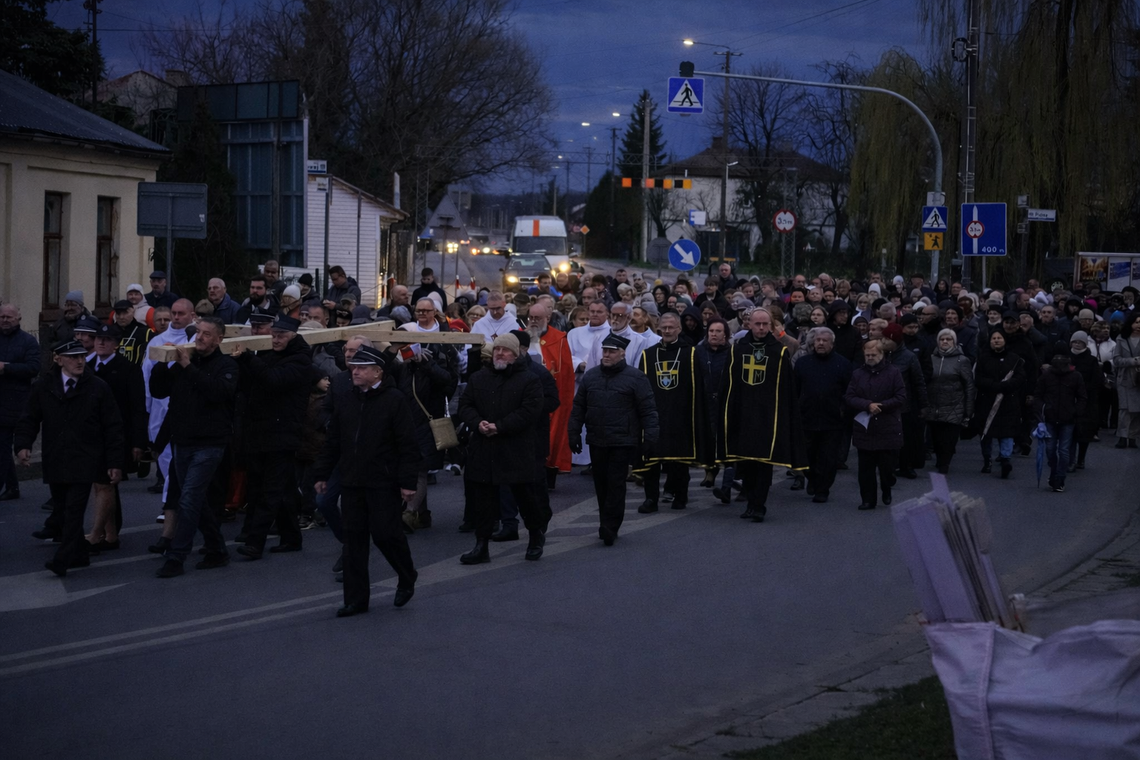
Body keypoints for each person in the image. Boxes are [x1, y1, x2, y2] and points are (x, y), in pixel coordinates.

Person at [313, 346, 421, 617]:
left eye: (362, 368)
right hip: (352, 480)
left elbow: (408, 444)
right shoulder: (346, 399)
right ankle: (356, 599)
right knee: (354, 541)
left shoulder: (394, 400)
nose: (355, 371)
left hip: (382, 480)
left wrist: (407, 482)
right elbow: (334, 440)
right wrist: (322, 473)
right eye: (353, 367)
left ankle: (406, 575)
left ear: (378, 373)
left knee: (386, 534)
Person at [17, 340, 124, 576]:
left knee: (74, 510)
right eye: (73, 357)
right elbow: (30, 417)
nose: (79, 361)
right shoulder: (45, 386)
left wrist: (115, 462)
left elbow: (113, 426)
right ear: (59, 359)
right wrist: (23, 445)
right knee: (63, 510)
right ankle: (79, 554)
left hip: (86, 458)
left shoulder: (97, 387)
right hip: (56, 457)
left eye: (82, 357)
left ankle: (62, 560)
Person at [149, 317, 239, 576]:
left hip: (210, 444)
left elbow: (218, 393)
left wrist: (187, 367)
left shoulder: (227, 364)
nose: (199, 337)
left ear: (219, 339)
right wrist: (161, 363)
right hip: (183, 442)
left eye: (207, 334)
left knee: (188, 499)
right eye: (198, 332)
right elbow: (158, 391)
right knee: (194, 500)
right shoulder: (185, 363)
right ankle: (217, 549)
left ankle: (176, 557)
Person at [456, 333, 548, 563]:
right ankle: (481, 545)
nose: (500, 353)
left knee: (526, 498)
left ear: (515, 355)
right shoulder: (479, 378)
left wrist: (501, 426)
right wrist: (478, 423)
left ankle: (536, 535)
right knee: (484, 502)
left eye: (505, 350)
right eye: (497, 349)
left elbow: (530, 411)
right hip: (484, 448)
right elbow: (466, 405)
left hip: (515, 448)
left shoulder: (529, 379)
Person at [231, 315, 313, 558]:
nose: (276, 340)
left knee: (269, 491)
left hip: (282, 435)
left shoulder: (300, 361)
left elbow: (272, 380)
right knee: (283, 490)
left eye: (281, 336)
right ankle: (291, 537)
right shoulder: (271, 356)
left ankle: (255, 542)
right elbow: (253, 384)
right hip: (264, 433)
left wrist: (246, 358)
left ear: (293, 337)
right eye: (274, 335)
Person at [569, 333, 658, 546]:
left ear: (622, 353)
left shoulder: (635, 377)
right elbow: (578, 408)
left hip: (623, 440)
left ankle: (610, 526)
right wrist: (573, 433)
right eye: (604, 351)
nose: (606, 355)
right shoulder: (591, 377)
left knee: (616, 483)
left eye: (611, 351)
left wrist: (651, 438)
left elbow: (648, 410)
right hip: (598, 439)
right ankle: (605, 521)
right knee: (601, 483)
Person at [720, 308, 808, 522]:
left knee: (763, 462)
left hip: (768, 416)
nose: (760, 328)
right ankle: (750, 501)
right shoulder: (738, 350)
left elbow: (786, 389)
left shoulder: (778, 351)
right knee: (747, 463)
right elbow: (729, 385)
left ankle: (759, 505)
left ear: (771, 326)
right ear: (749, 324)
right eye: (756, 324)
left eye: (764, 324)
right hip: (743, 415)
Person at [384, 321, 459, 530]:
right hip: (405, 425)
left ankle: (409, 513)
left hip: (426, 424)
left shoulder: (430, 359)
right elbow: (384, 370)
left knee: (419, 470)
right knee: (414, 470)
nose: (405, 345)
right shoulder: (401, 367)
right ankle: (422, 513)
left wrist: (425, 364)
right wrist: (392, 350)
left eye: (407, 340)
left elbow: (447, 381)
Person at [635, 311, 707, 512]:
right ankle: (651, 499)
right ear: (659, 328)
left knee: (679, 460)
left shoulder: (691, 354)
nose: (667, 331)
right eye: (664, 327)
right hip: (654, 416)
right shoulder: (648, 355)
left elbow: (698, 388)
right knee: (652, 459)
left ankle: (680, 495)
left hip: (680, 415)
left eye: (671, 327)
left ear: (679, 329)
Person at [84, 323, 146, 552]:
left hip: (116, 435)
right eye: (98, 338)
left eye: (107, 339)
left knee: (105, 483)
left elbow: (138, 407)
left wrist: (139, 441)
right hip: (90, 435)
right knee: (99, 483)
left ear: (117, 343)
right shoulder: (87, 365)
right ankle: (109, 533)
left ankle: (99, 533)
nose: (101, 342)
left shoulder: (128, 368)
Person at [793, 327, 853, 503]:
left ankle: (822, 489)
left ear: (832, 343)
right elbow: (795, 390)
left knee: (828, 458)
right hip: (807, 418)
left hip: (832, 419)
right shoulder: (803, 363)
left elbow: (849, 391)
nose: (820, 343)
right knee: (807, 454)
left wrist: (843, 411)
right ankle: (812, 478)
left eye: (824, 340)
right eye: (817, 340)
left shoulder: (843, 364)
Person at [844, 340, 906, 510]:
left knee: (887, 466)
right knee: (865, 468)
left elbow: (901, 397)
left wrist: (881, 406)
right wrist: (867, 404)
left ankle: (887, 487)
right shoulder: (858, 374)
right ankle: (868, 499)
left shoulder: (893, 373)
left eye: (874, 355)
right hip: (865, 427)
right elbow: (850, 396)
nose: (870, 358)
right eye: (867, 355)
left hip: (887, 425)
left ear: (882, 355)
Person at [525, 301, 575, 488]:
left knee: (552, 436)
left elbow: (566, 373)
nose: (534, 322)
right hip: (525, 398)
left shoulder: (559, 339)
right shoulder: (521, 338)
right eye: (531, 318)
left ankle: (548, 476)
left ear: (547, 318)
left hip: (549, 398)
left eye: (537, 318)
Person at [1033, 344, 1087, 492]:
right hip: (1050, 418)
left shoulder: (1075, 376)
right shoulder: (1047, 376)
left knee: (1063, 451)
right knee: (1050, 450)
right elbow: (1037, 396)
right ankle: (1054, 473)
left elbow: (1082, 397)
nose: (1059, 360)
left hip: (1068, 419)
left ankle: (1059, 477)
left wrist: (1075, 412)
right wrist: (1043, 409)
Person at [0, 304, 41, 501]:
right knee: (2, 446)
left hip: (18, 400)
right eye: (2, 317)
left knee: (5, 445)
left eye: (9, 317)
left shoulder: (28, 341)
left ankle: (8, 486)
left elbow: (33, 368)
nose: (5, 320)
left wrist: (6, 368)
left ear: (18, 318)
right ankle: (12, 487)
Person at [974, 330, 1026, 478]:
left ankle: (1005, 459)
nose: (996, 340)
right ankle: (987, 460)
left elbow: (1020, 377)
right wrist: (993, 386)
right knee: (986, 431)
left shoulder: (1014, 359)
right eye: (994, 338)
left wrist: (1006, 386)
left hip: (1008, 402)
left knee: (1007, 433)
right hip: (986, 401)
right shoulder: (983, 358)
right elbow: (978, 379)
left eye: (999, 338)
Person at [924, 329, 975, 474]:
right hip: (933, 404)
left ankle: (944, 463)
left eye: (948, 339)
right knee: (936, 437)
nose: (945, 342)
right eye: (942, 339)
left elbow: (969, 385)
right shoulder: (931, 358)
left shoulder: (962, 360)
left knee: (949, 438)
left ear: (954, 342)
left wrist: (968, 409)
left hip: (954, 404)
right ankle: (941, 459)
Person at [881, 324, 928, 479]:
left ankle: (906, 465)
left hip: (904, 405)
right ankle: (890, 465)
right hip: (885, 404)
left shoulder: (909, 357)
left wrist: (923, 405)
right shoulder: (882, 355)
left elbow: (918, 382)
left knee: (906, 437)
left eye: (886, 339)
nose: (882, 341)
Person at [1113, 312, 1140, 448]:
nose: (1138, 325)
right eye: (1136, 322)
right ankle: (1122, 436)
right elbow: (1116, 359)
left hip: (1139, 380)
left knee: (1137, 410)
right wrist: (1134, 361)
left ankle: (1133, 437)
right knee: (1124, 409)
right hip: (1124, 378)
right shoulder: (1121, 339)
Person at [111, 300, 153, 365]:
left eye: (125, 313)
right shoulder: (110, 331)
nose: (121, 317)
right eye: (118, 313)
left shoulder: (145, 332)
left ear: (132, 312)